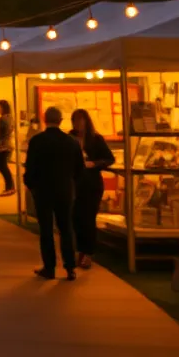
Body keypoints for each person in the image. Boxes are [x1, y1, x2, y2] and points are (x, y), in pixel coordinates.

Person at [24, 106, 83, 281]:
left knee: (46, 229)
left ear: (44, 118)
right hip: (64, 190)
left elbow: (30, 167)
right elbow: (79, 169)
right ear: (61, 120)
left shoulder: (37, 141)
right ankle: (70, 267)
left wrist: (31, 185)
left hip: (43, 191)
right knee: (66, 228)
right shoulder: (71, 142)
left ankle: (49, 268)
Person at [70, 108, 115, 271]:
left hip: (91, 185)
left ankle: (88, 253)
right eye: (75, 120)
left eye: (81, 120)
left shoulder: (96, 139)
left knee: (88, 219)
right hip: (74, 184)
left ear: (86, 121)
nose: (78, 123)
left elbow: (109, 158)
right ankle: (80, 251)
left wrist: (94, 164)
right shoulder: (69, 138)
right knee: (76, 219)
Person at [0, 100, 16, 196]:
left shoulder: (2, 119)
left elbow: (1, 133)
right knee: (4, 167)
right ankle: (10, 187)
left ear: (2, 108)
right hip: (7, 145)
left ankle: (9, 187)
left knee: (3, 168)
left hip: (1, 146)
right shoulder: (10, 118)